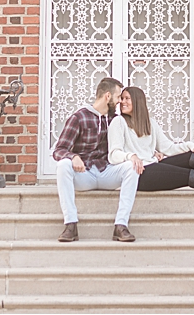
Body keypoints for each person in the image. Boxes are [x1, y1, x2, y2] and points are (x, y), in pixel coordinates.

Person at [53, 77, 140, 243]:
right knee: (63, 164)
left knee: (131, 167)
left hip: (106, 171)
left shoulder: (115, 120)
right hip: (83, 174)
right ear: (108, 96)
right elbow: (59, 150)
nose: (120, 101)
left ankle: (121, 225)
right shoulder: (79, 117)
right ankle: (71, 224)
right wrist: (73, 157)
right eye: (118, 97)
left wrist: (155, 152)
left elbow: (134, 142)